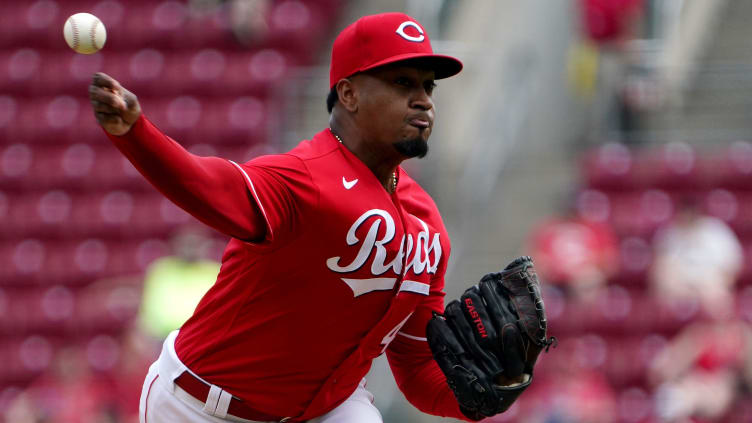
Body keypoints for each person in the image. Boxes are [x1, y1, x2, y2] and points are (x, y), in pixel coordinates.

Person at [88, 11, 528, 423]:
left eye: (428, 87)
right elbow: (208, 185)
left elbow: (415, 368)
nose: (423, 102)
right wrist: (137, 134)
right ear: (349, 93)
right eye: (402, 82)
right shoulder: (305, 178)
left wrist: (488, 391)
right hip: (201, 406)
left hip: (327, 409)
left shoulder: (428, 228)